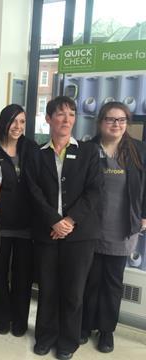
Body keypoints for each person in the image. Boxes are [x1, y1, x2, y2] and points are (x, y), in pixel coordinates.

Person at [25, 96, 101, 360]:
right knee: (48, 288)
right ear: (48, 119)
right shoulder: (37, 154)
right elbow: (32, 191)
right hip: (47, 232)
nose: (66, 119)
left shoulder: (89, 151)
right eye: (60, 114)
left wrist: (69, 221)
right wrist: (54, 221)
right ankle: (45, 336)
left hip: (80, 235)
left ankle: (68, 341)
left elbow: (94, 190)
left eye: (71, 114)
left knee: (73, 291)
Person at [81, 102, 146, 353]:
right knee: (90, 280)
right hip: (91, 227)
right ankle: (85, 325)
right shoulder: (87, 149)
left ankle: (107, 331)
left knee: (113, 283)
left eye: (121, 120)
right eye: (111, 119)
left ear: (127, 124)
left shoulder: (138, 150)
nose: (116, 124)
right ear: (100, 122)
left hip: (122, 228)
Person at [0, 104, 38, 336]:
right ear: (4, 122)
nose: (17, 127)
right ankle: (2, 316)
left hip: (27, 224)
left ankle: (20, 319)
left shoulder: (31, 147)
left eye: (22, 121)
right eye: (13, 121)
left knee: (23, 275)